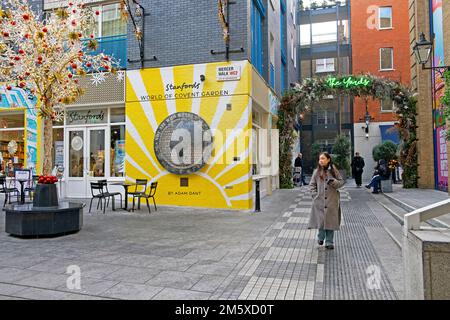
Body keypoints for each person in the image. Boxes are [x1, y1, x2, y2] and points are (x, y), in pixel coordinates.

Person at [308, 152, 345, 250]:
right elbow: (312, 185)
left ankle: (329, 242)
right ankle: (320, 237)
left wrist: (334, 182)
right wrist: (314, 195)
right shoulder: (316, 172)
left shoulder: (334, 170)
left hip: (332, 201)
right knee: (321, 220)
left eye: (323, 158)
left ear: (328, 159)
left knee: (330, 222)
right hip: (319, 201)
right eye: (320, 159)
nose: (321, 161)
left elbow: (341, 182)